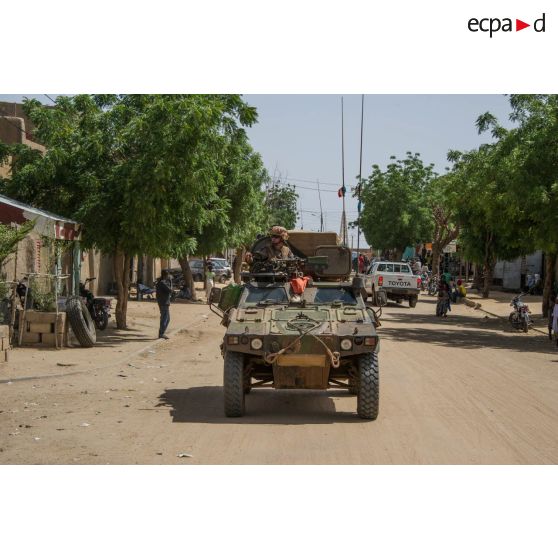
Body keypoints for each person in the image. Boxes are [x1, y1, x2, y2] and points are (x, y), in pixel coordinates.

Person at [156, 269, 172, 339]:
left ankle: (162, 332)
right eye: (168, 275)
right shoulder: (162, 283)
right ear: (165, 275)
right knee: (164, 319)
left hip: (164, 302)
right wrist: (171, 282)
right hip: (163, 302)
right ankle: (161, 333)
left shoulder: (161, 282)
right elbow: (170, 290)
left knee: (167, 319)